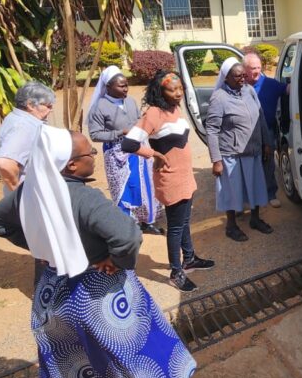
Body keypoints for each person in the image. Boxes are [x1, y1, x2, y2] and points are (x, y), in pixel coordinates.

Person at [0, 127, 195, 378]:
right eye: (89, 154)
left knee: (64, 358)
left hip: (50, 296)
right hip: (93, 293)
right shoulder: (84, 198)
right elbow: (128, 237)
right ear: (70, 166)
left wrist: (41, 249)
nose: (94, 157)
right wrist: (113, 261)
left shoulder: (28, 191)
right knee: (113, 365)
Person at [122, 70, 214, 293]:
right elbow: (128, 143)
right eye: (172, 89)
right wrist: (153, 154)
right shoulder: (154, 113)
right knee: (175, 227)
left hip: (185, 175)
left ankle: (189, 259)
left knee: (183, 222)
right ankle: (176, 272)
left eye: (180, 88)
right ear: (160, 91)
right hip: (170, 178)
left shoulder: (176, 109)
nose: (178, 93)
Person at [87, 65, 163, 236]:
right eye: (121, 86)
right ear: (108, 87)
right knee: (125, 188)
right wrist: (120, 132)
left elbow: (138, 121)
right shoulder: (100, 107)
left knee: (145, 185)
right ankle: (128, 225)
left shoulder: (130, 101)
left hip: (138, 149)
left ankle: (147, 222)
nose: (126, 88)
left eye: (126, 85)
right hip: (117, 153)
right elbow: (95, 134)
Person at [205, 57, 273, 242]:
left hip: (254, 150)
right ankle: (231, 226)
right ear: (226, 77)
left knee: (256, 187)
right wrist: (216, 160)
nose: (242, 79)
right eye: (237, 76)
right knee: (232, 191)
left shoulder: (249, 90)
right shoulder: (219, 97)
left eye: (243, 75)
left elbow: (261, 118)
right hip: (231, 154)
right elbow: (211, 130)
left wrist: (266, 142)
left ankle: (255, 219)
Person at [242, 52, 288, 208]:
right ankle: (249, 196)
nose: (256, 71)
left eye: (258, 67)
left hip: (266, 131)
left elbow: (289, 90)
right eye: (252, 68)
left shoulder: (270, 84)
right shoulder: (238, 85)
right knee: (247, 165)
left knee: (267, 163)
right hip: (245, 134)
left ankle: (270, 193)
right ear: (244, 69)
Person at [0, 81, 55, 191]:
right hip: (30, 196)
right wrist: (17, 191)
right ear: (30, 105)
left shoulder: (16, 118)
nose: (51, 110)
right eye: (48, 106)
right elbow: (4, 162)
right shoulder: (24, 127)